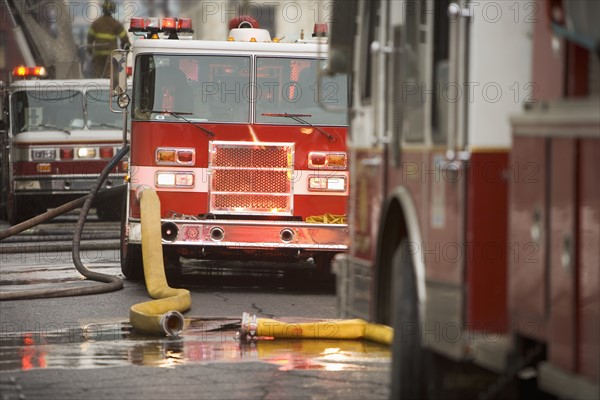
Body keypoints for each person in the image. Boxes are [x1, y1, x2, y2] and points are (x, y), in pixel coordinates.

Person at [87, 1, 130, 78]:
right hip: (111, 55)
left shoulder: (96, 23)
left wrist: (90, 52)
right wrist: (126, 49)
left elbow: (89, 39)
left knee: (96, 75)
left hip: (98, 54)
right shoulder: (116, 23)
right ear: (113, 10)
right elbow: (124, 39)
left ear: (103, 9)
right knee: (109, 77)